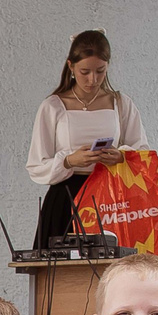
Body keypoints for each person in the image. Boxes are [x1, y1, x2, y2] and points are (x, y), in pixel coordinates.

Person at [25, 31, 145, 245]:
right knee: (62, 274)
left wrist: (120, 156)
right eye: (84, 72)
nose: (93, 80)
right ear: (70, 66)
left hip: (110, 198)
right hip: (66, 198)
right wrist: (69, 161)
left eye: (100, 71)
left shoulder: (121, 103)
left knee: (113, 268)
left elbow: (142, 152)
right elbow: (36, 164)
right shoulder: (53, 106)